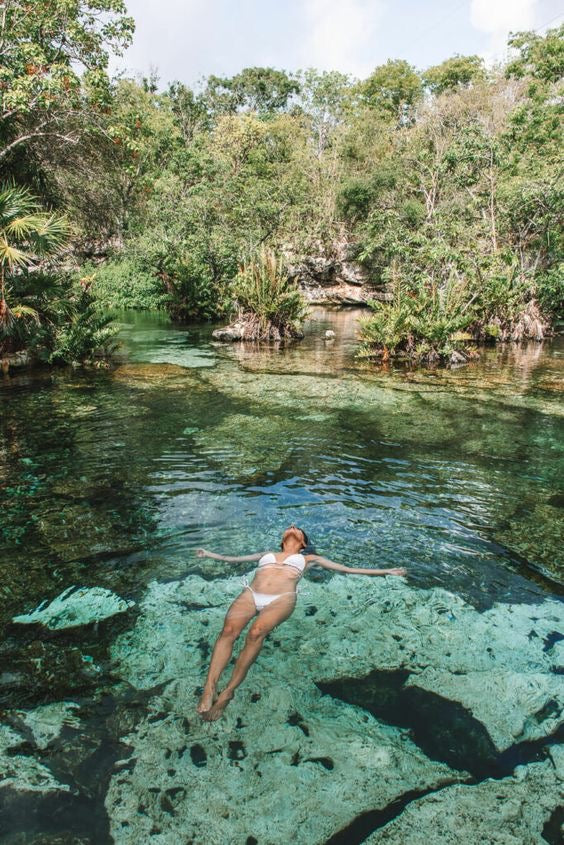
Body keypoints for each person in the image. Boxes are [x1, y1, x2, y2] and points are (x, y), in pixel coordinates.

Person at [194, 524, 407, 721]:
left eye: (298, 529)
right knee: (228, 631)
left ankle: (228, 691)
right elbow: (231, 559)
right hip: (252, 593)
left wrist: (386, 571)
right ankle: (209, 687)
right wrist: (209, 554)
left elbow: (347, 569)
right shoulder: (266, 555)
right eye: (290, 527)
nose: (293, 526)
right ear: (282, 539)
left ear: (303, 542)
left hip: (281, 598)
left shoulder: (309, 559)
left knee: (256, 632)